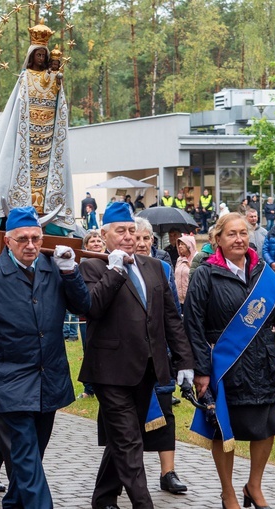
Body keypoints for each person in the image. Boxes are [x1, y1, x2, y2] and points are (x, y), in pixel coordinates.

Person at [0, 206, 90, 509]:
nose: (30, 245)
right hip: (10, 379)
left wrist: (71, 272)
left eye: (36, 239)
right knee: (26, 458)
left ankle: (13, 503)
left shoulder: (54, 268)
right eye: (23, 239)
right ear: (7, 241)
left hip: (50, 376)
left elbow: (84, 307)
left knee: (31, 459)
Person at [183, 213, 275, 509]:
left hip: (262, 363)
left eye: (243, 233)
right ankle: (228, 493)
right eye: (231, 234)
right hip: (224, 367)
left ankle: (254, 485)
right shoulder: (205, 274)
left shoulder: (264, 273)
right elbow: (193, 325)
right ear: (218, 240)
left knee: (265, 429)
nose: (239, 239)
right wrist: (201, 370)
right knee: (224, 430)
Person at [78, 203, 194, 509]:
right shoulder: (92, 265)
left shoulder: (152, 266)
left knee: (125, 437)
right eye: (121, 231)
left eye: (132, 230)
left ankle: (103, 498)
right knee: (130, 441)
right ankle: (144, 504)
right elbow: (93, 306)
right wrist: (114, 270)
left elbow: (170, 318)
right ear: (104, 235)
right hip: (109, 371)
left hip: (147, 368)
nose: (129, 237)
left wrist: (184, 361)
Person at [0, 22, 75, 233]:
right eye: (38, 55)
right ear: (31, 55)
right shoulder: (25, 77)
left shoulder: (54, 78)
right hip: (26, 137)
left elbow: (60, 103)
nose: (41, 59)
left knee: (45, 176)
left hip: (48, 136)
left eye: (44, 55)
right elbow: (18, 107)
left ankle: (48, 214)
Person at [77, 230, 105, 400]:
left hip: (106, 317)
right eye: (92, 241)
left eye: (99, 241)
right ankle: (89, 388)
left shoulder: (111, 262)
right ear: (86, 246)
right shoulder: (82, 265)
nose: (96, 243)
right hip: (86, 316)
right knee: (89, 350)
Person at [175, 235, 197, 304]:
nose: (179, 246)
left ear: (189, 245)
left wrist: (188, 264)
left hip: (192, 300)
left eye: (182, 244)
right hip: (179, 300)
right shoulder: (179, 259)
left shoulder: (196, 259)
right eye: (179, 244)